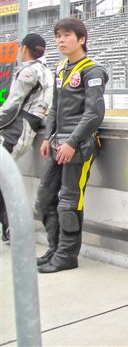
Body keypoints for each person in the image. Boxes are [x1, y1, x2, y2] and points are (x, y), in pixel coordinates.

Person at [35, 17, 109, 274]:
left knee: (69, 201)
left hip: (79, 146)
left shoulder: (93, 71)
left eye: (67, 35)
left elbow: (94, 114)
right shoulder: (61, 68)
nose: (61, 40)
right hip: (58, 144)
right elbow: (55, 107)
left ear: (82, 39)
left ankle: (67, 255)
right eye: (58, 36)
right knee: (44, 198)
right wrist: (48, 137)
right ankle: (54, 249)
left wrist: (71, 142)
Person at [0, 33, 54, 242]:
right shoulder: (46, 70)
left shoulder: (28, 71)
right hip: (26, 128)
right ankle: (10, 228)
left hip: (17, 129)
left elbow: (12, 106)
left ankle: (13, 228)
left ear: (24, 48)